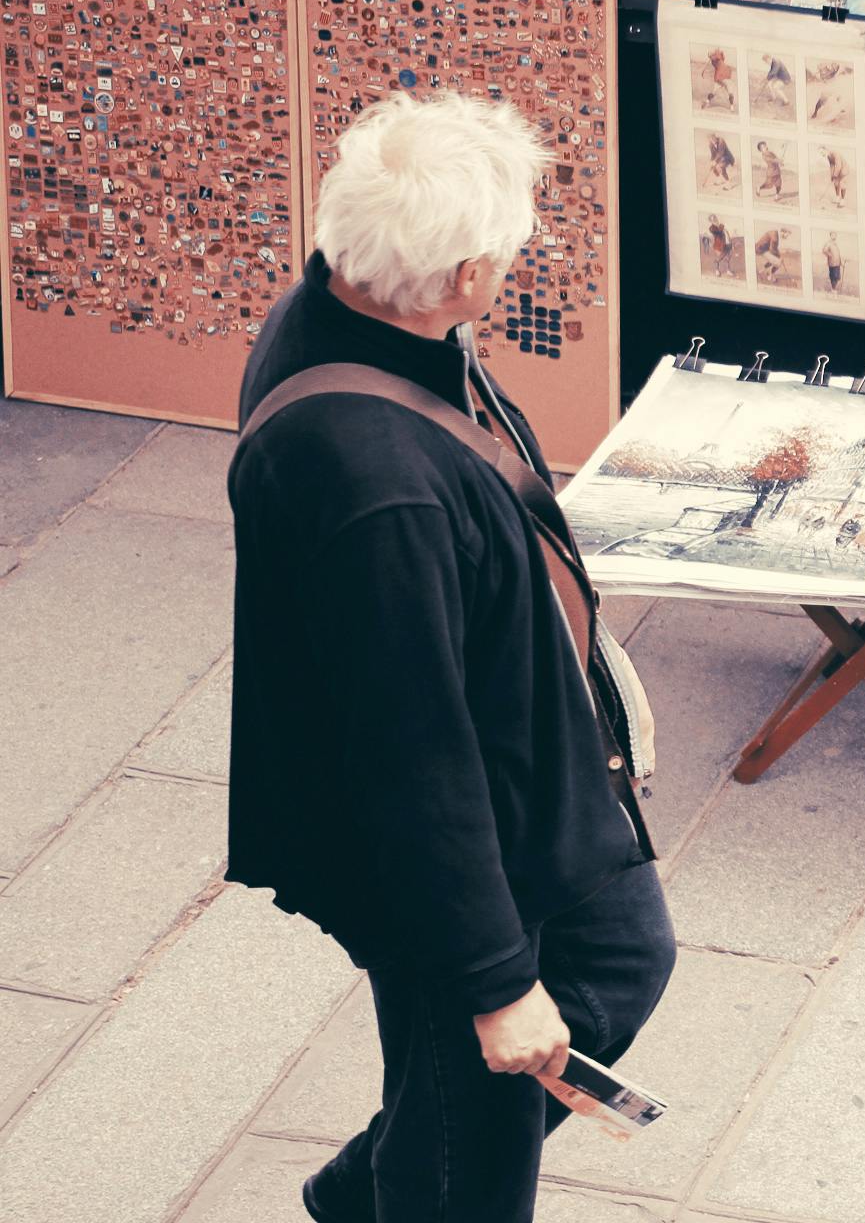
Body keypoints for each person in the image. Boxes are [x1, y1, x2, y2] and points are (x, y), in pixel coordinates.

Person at [227, 93, 671, 1223]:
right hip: (452, 849)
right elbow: (410, 759)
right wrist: (496, 985)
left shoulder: (354, 300)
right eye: (507, 253)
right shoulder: (375, 490)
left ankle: (368, 1184)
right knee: (472, 1148)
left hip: (519, 771)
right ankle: (396, 1187)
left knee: (622, 960)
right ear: (465, 277)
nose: (514, 268)